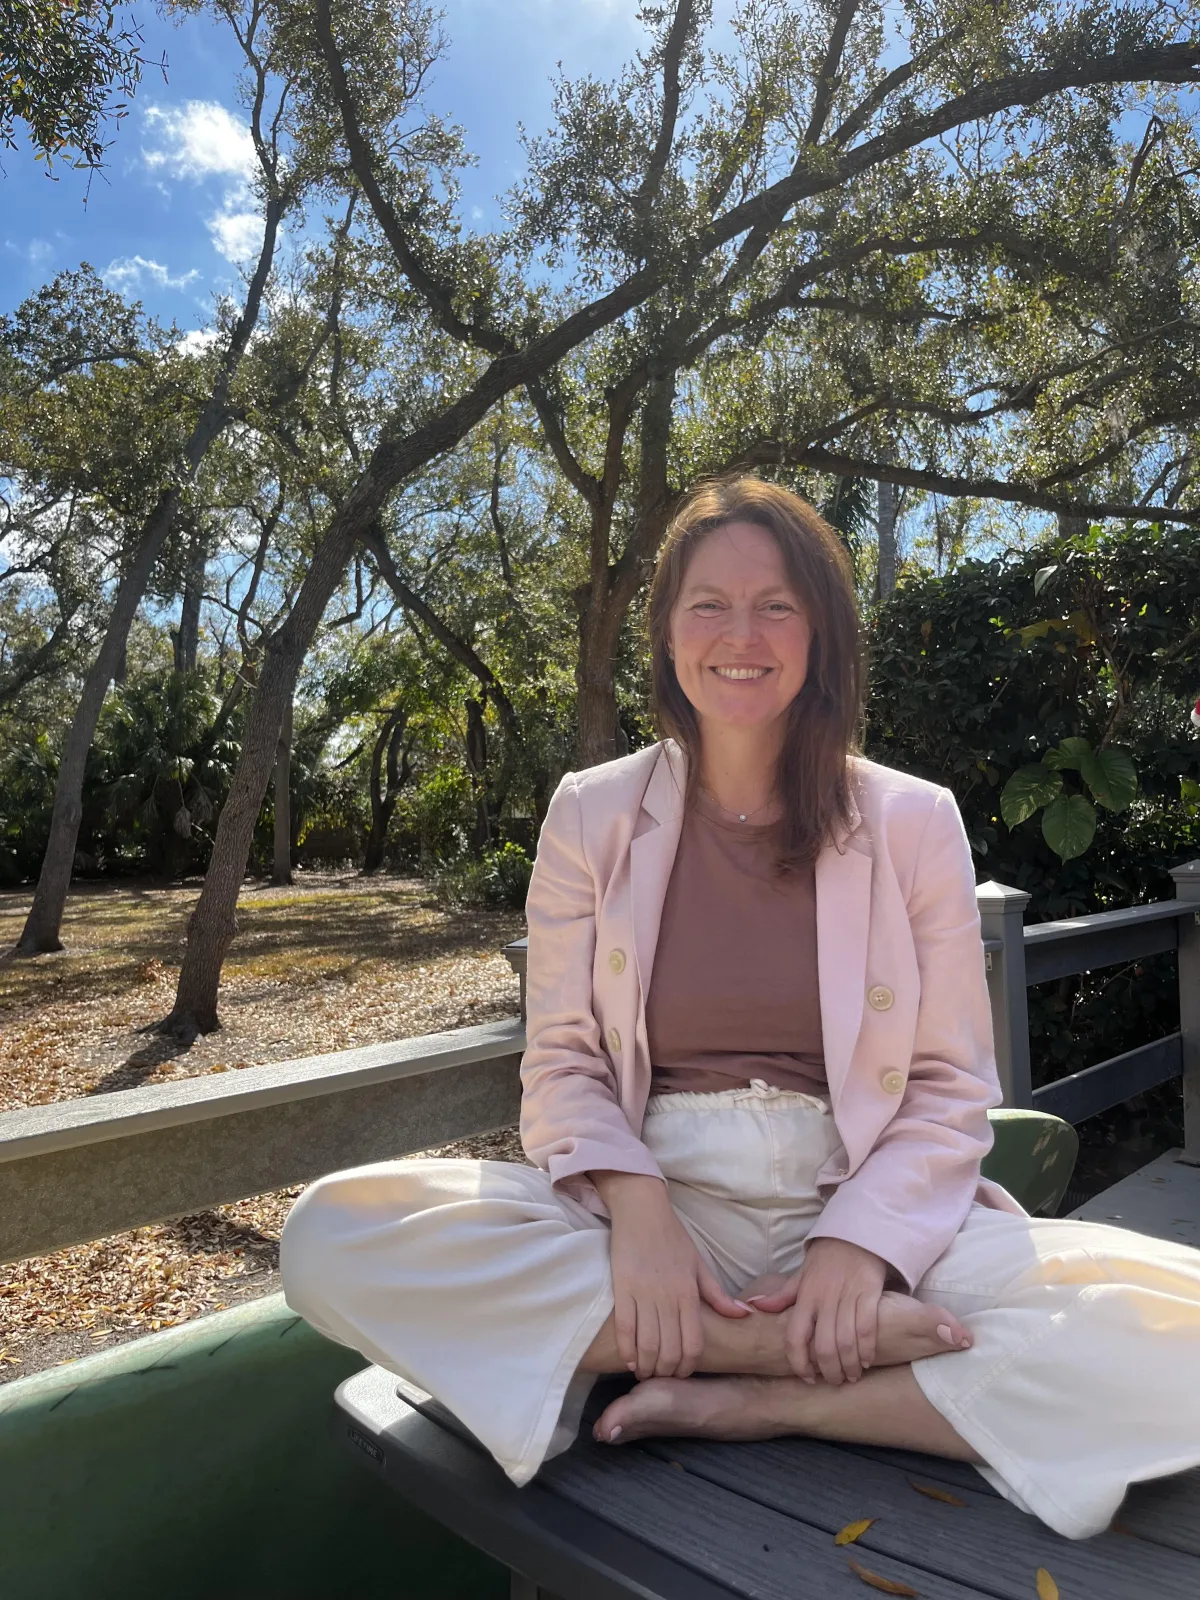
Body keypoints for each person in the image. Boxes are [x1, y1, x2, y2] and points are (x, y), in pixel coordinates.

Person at [280, 475, 1200, 1541]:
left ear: (821, 633)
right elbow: (563, 1058)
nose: (741, 635)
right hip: (656, 1200)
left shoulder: (911, 820)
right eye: (708, 604)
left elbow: (950, 1085)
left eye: (776, 606)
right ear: (668, 632)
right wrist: (640, 1216)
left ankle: (771, 1399)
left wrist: (859, 1248)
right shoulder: (593, 814)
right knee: (329, 1237)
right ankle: (754, 1347)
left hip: (858, 1191)